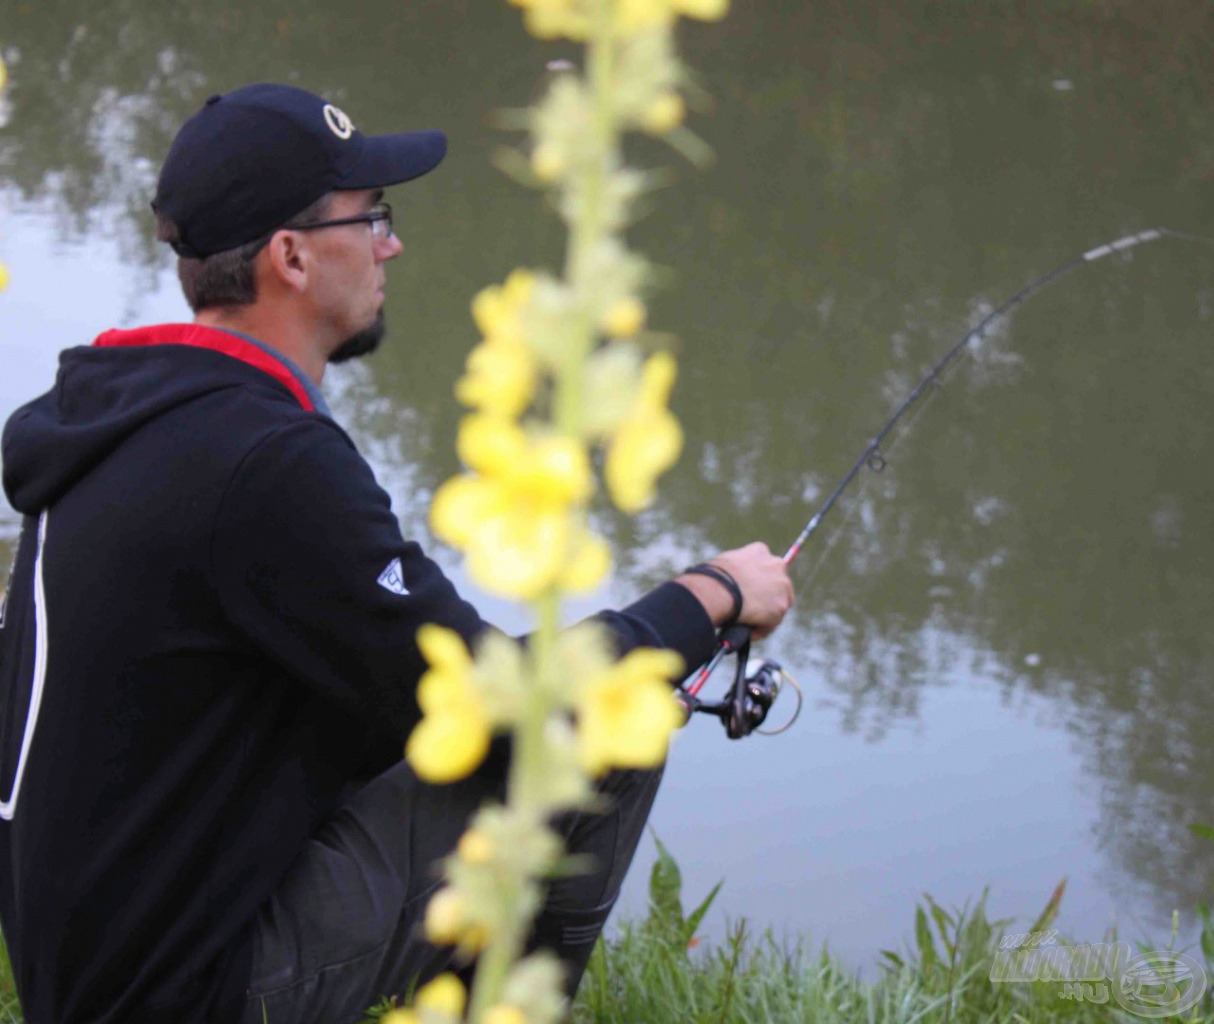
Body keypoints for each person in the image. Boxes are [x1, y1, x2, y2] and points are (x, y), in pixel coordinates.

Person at [0, 83, 793, 1024]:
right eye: (371, 220)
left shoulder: (131, 411)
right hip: (186, 991)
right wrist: (704, 598)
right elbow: (502, 707)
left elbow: (389, 690)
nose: (392, 244)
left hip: (93, 965)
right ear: (291, 257)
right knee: (610, 720)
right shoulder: (264, 463)